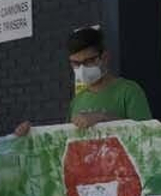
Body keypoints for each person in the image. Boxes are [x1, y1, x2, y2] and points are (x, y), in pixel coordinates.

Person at [14, 26, 152, 136]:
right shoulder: (78, 100)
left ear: (104, 57)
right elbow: (64, 141)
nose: (81, 69)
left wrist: (102, 117)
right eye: (75, 63)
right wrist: (31, 135)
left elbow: (147, 134)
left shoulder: (129, 91)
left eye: (88, 61)